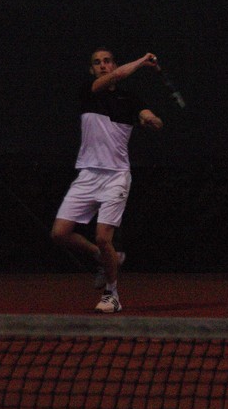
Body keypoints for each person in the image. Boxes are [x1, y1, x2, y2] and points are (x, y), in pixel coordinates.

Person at [51, 48, 163, 313]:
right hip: (88, 175)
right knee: (59, 234)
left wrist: (151, 120)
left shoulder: (129, 99)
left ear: (113, 64)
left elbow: (150, 117)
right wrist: (142, 61)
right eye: (97, 63)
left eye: (107, 61)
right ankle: (100, 256)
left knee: (104, 237)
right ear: (92, 70)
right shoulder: (88, 91)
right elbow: (118, 76)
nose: (102, 65)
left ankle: (112, 294)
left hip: (116, 177)